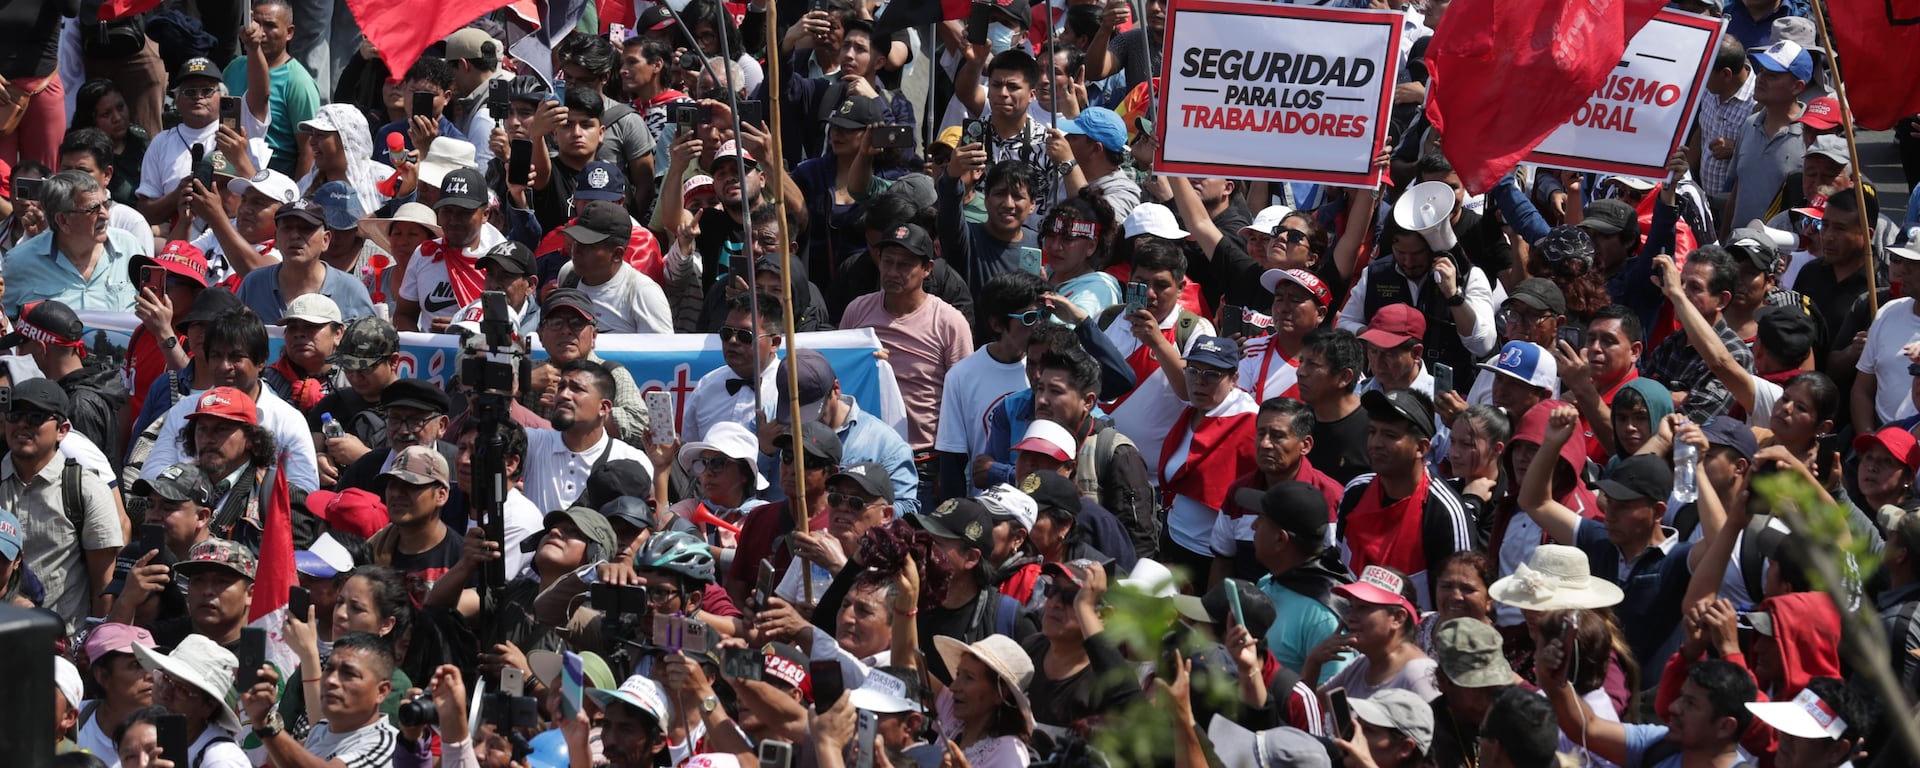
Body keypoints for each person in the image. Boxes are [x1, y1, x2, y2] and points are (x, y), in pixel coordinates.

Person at [842, 223, 972, 504]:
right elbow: (841, 379)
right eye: (887, 262)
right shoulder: (857, 310)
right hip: (862, 454)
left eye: (904, 265)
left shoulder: (949, 322)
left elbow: (963, 401)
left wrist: (950, 468)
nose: (892, 272)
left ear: (927, 269)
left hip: (923, 460)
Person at [141, 308, 322, 493]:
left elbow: (304, 489)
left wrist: (250, 493)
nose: (224, 366)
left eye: (236, 357)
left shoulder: (288, 420)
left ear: (261, 361)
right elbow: (151, 473)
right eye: (216, 356)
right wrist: (194, 484)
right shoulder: (184, 409)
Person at [4, 378, 122, 631]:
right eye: (15, 414)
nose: (22, 423)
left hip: (60, 644)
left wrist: (92, 644)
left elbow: (103, 585)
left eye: (36, 416)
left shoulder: (86, 488)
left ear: (62, 430)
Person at [1338, 389, 1476, 606]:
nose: (1376, 443)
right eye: (1372, 431)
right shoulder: (1356, 491)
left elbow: (1459, 601)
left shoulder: (1444, 512)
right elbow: (1338, 566)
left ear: (1421, 448)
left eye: (1390, 435)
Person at [1157, 335, 1259, 578]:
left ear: (1234, 379)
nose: (1199, 381)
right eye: (1192, 371)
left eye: (1212, 374)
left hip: (1214, 558)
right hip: (1172, 539)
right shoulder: (1191, 411)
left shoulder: (1251, 424)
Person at [938, 271, 1046, 499]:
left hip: (1042, 500)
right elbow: (953, 459)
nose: (1038, 325)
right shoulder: (961, 375)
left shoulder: (1051, 368)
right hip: (988, 505)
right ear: (997, 324)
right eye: (1028, 318)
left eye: (1042, 315)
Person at [241, 631, 400, 768]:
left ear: (382, 691)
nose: (331, 680)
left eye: (349, 673)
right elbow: (276, 761)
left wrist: (267, 725)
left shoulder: (386, 744)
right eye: (329, 669)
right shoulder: (321, 729)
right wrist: (260, 711)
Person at [6, 171, 145, 314]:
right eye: (94, 209)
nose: (105, 215)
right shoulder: (19, 262)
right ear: (63, 220)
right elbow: (6, 321)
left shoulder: (129, 247)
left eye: (106, 204)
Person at [1, 299, 127, 458]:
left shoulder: (78, 405)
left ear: (41, 349)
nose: (18, 355)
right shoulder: (89, 387)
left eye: (21, 347)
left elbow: (80, 468)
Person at [522, 359, 650, 515]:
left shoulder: (630, 459)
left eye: (577, 389)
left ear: (604, 407)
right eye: (561, 387)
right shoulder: (533, 443)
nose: (563, 395)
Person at [1643, 249, 1754, 422]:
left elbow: (1694, 422)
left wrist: (1654, 398)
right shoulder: (1672, 343)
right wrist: (1671, 398)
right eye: (1680, 283)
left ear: (1722, 300)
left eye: (1695, 287)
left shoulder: (1734, 354)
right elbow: (1634, 399)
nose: (1681, 291)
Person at [1303, 565, 1441, 701]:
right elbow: (1310, 709)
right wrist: (1313, 662)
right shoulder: (1363, 663)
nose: (1350, 617)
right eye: (1351, 607)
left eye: (1363, 607)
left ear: (1398, 618)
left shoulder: (1419, 674)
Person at [531, 289, 649, 440]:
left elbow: (642, 426)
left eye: (576, 323)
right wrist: (520, 383)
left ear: (593, 335)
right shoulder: (529, 371)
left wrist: (582, 407)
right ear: (540, 334)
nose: (566, 331)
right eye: (556, 323)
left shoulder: (611, 374)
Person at [397, 167, 502, 332]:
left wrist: (466, 329)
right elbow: (404, 315)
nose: (453, 220)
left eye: (464, 213)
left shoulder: (502, 261)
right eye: (447, 211)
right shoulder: (424, 254)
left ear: (485, 214)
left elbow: (510, 324)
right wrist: (424, 343)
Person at [222, 0, 319, 177]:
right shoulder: (234, 68)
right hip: (227, 176)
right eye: (256, 23)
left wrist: (296, 192)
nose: (260, 32)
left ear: (289, 32)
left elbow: (308, 150)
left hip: (273, 182)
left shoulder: (298, 81)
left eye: (270, 25)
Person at [130, 635, 251, 768]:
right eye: (163, 678)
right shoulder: (148, 744)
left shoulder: (221, 761)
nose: (165, 694)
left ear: (209, 706)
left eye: (181, 689)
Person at [1728, 40, 1812, 231]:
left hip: (1783, 247)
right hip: (1739, 243)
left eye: (1772, 75)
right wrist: (1725, 237)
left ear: (1797, 87)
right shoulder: (1749, 124)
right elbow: (1737, 190)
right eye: (1761, 71)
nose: (1760, 79)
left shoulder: (1811, 136)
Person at [684, 291, 783, 442]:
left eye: (745, 335)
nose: (732, 340)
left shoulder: (790, 390)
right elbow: (690, 449)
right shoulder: (706, 387)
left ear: (774, 343)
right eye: (726, 333)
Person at [930, 634, 1036, 768]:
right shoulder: (955, 719)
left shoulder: (1008, 753)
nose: (953, 687)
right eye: (958, 674)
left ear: (1000, 693)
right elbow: (910, 663)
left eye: (969, 678)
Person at [57, 128, 156, 249]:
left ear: (107, 175)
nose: (73, 178)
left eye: (83, 171)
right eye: (67, 170)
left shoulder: (130, 223)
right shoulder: (50, 218)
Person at [1297, 327, 1370, 485]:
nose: (1300, 372)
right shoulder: (1296, 422)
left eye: (1312, 364)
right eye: (1301, 361)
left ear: (1344, 377)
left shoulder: (1373, 431)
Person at [75, 623, 158, 760]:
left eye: (152, 663)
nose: (151, 674)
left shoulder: (173, 729)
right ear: (102, 676)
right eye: (136, 665)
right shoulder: (71, 723)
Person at [261, 293, 344, 411]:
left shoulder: (355, 381)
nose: (299, 334)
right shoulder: (266, 383)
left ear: (337, 334)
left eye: (310, 326)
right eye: (293, 327)